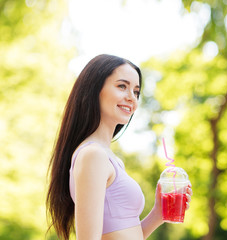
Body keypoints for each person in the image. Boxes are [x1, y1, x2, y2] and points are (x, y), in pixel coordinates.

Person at [46, 54, 192, 240]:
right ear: (94, 89)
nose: (131, 98)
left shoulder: (110, 159)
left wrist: (158, 214)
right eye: (122, 86)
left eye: (136, 92)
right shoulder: (93, 155)